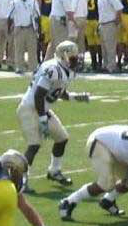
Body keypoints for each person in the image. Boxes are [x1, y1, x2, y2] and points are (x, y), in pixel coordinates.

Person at [17, 41, 90, 189]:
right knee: (34, 145)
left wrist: (75, 97)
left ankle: (54, 171)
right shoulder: (53, 69)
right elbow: (39, 95)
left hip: (41, 109)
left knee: (62, 138)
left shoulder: (63, 69)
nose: (76, 61)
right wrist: (43, 118)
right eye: (73, 58)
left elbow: (56, 91)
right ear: (64, 56)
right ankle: (21, 180)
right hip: (29, 108)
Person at [8, 0, 42, 74]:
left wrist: (39, 30)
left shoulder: (33, 1)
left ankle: (34, 67)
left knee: (32, 49)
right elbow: (10, 17)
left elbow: (38, 16)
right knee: (19, 49)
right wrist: (9, 29)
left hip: (30, 27)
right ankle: (19, 67)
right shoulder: (14, 2)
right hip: (19, 28)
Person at [97, 0, 124, 73]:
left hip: (110, 23)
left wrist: (117, 20)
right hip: (102, 24)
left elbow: (119, 8)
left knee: (110, 47)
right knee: (103, 47)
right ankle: (105, 65)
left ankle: (112, 66)